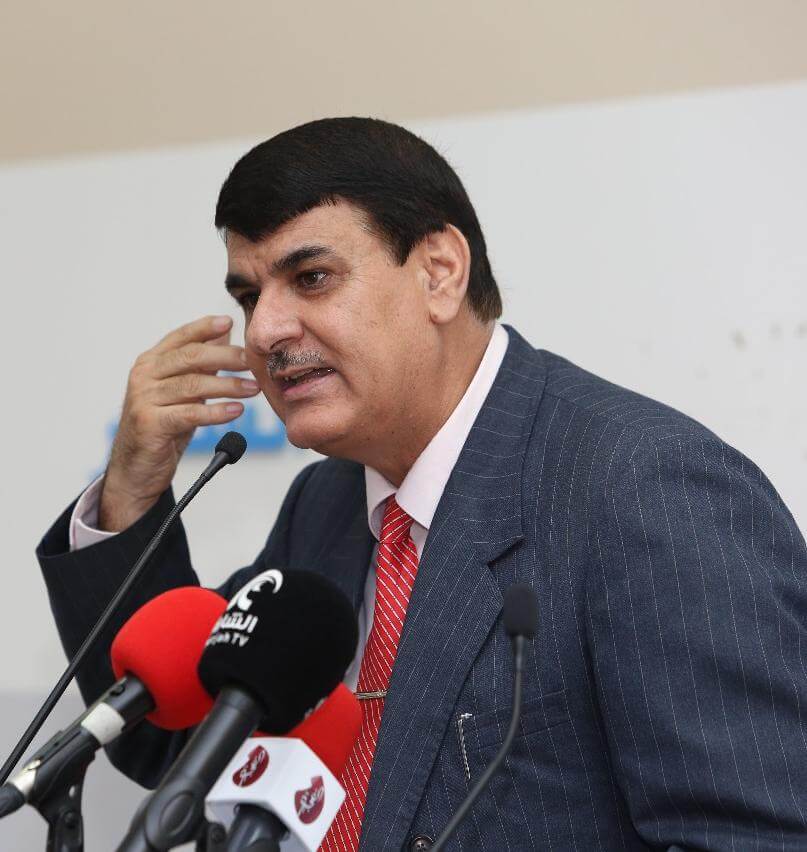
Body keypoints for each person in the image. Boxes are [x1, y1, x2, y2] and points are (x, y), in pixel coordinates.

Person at [38, 117, 807, 851]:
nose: (265, 330)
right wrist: (131, 488)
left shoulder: (648, 490)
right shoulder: (325, 503)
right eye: (248, 297)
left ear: (439, 272)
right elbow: (174, 741)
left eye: (311, 278)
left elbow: (757, 836)